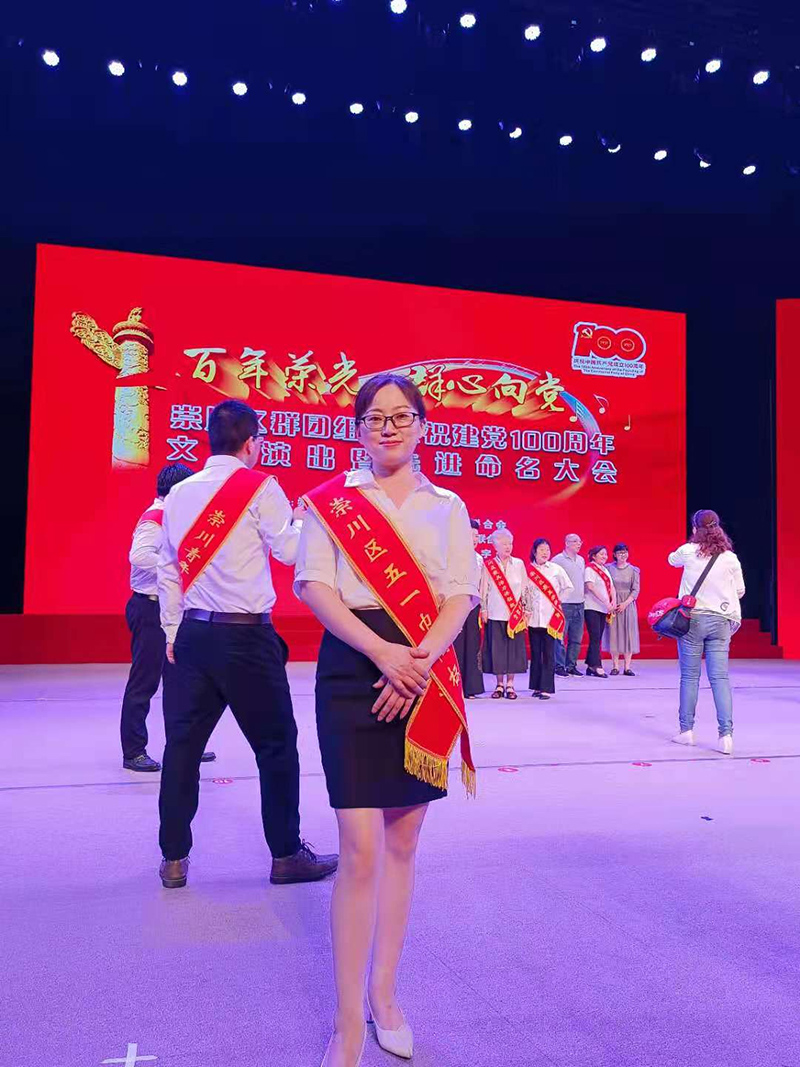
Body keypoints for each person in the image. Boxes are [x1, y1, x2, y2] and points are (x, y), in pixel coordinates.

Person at [294, 373, 478, 1067]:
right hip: (353, 668)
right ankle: (347, 1022)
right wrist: (381, 652)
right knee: (360, 847)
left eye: (401, 416)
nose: (389, 427)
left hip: (425, 668)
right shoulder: (331, 501)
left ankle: (385, 996)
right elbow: (315, 585)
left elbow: (460, 594)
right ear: (360, 430)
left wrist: (418, 662)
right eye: (375, 417)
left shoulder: (448, 506)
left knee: (402, 844)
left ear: (422, 425)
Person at [156, 399, 338, 890]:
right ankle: (286, 855)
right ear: (252, 443)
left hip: (193, 634)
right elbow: (290, 550)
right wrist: (304, 520)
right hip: (246, 636)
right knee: (276, 745)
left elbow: (168, 569)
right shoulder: (261, 487)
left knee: (182, 748)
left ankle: (173, 859)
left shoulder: (179, 494)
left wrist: (172, 631)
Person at [120, 463, 217, 772]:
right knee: (145, 681)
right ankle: (134, 751)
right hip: (150, 609)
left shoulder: (175, 517)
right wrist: (177, 567)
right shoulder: (156, 517)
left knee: (181, 682)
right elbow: (139, 556)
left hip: (172, 609)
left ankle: (184, 745)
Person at [668, 509, 745, 755]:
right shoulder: (730, 558)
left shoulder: (688, 551)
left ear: (695, 528)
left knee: (690, 677)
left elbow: (671, 560)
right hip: (721, 620)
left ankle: (686, 731)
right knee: (720, 678)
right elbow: (740, 591)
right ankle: (726, 736)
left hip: (693, 619)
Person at [480, 527, 528, 700]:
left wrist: (526, 610)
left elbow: (525, 589)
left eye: (510, 544)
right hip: (495, 613)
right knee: (498, 651)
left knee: (513, 651)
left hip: (514, 616)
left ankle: (510, 685)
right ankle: (499, 684)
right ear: (495, 546)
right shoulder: (489, 566)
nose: (508, 547)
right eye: (504, 544)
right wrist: (483, 609)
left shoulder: (519, 564)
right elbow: (483, 589)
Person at [526, 538, 572, 699]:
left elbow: (569, 587)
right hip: (533, 619)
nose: (545, 553)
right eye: (541, 549)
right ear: (534, 551)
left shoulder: (556, 569)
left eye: (547, 549)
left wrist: (557, 602)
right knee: (535, 654)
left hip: (550, 619)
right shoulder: (528, 571)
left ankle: (546, 688)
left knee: (548, 653)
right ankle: (536, 686)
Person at [452, 519, 485, 698]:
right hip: (456, 605)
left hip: (473, 607)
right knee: (457, 644)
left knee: (472, 646)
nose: (474, 539)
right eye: (471, 535)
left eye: (477, 536)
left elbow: (482, 585)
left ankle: (471, 688)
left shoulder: (479, 559)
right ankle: (455, 686)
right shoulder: (453, 555)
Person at [604, 543, 641, 676]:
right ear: (614, 554)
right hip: (613, 604)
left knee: (628, 634)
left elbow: (635, 590)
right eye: (620, 553)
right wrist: (611, 602)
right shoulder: (608, 568)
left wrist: (625, 603)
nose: (623, 555)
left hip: (628, 604)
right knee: (613, 633)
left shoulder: (633, 570)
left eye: (625, 552)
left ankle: (627, 667)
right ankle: (615, 666)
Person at [552, 533, 586, 677]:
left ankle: (571, 665)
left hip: (580, 604)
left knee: (576, 638)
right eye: (575, 541)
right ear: (566, 543)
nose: (578, 544)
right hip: (564, 605)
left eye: (580, 541)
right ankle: (558, 666)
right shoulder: (557, 560)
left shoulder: (581, 560)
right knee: (559, 637)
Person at [584, 546, 616, 677]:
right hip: (591, 607)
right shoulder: (590, 569)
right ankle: (597, 666)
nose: (604, 556)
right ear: (593, 556)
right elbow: (590, 587)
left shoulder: (605, 570)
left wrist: (613, 601)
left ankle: (590, 666)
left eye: (605, 554)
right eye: (601, 554)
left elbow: (612, 587)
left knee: (597, 637)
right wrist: (606, 602)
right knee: (595, 636)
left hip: (603, 608)